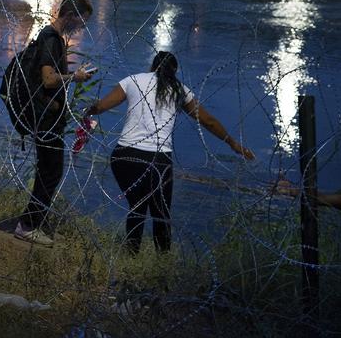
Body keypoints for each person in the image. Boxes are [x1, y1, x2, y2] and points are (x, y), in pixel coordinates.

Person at [84, 51, 255, 254]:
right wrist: (233, 144)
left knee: (137, 208)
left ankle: (130, 257)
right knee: (160, 213)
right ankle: (162, 263)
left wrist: (84, 111)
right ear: (175, 71)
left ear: (152, 67)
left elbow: (101, 106)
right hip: (157, 160)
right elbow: (208, 121)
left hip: (124, 156)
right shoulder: (179, 90)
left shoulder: (133, 81)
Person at [15, 0, 96, 245]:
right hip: (46, 116)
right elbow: (48, 79)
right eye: (81, 21)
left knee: (49, 169)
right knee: (50, 171)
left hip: (47, 114)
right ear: (70, 15)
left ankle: (35, 221)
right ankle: (28, 225)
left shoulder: (51, 38)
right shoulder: (51, 40)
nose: (81, 27)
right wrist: (75, 77)